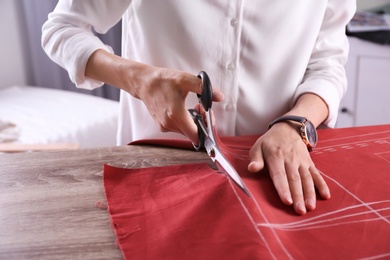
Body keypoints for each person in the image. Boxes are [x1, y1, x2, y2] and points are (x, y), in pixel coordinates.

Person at [42, 1, 356, 215]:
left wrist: (295, 125)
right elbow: (62, 29)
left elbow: (327, 64)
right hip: (155, 167)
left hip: (277, 173)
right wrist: (141, 81)